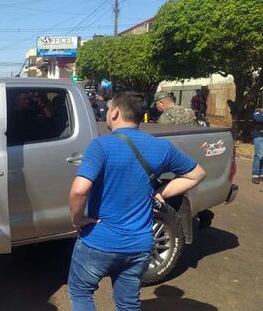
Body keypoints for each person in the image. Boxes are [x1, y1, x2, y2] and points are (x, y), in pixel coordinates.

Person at [67, 92, 206, 311]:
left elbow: (78, 191)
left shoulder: (101, 146)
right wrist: (162, 193)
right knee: (127, 303)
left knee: (80, 292)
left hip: (99, 242)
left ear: (114, 112)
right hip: (140, 245)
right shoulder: (161, 147)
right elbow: (197, 174)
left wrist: (78, 219)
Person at [252, 108, 263, 184]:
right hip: (258, 136)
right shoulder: (257, 112)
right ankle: (255, 175)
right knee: (258, 156)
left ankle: (261, 175)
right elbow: (259, 119)